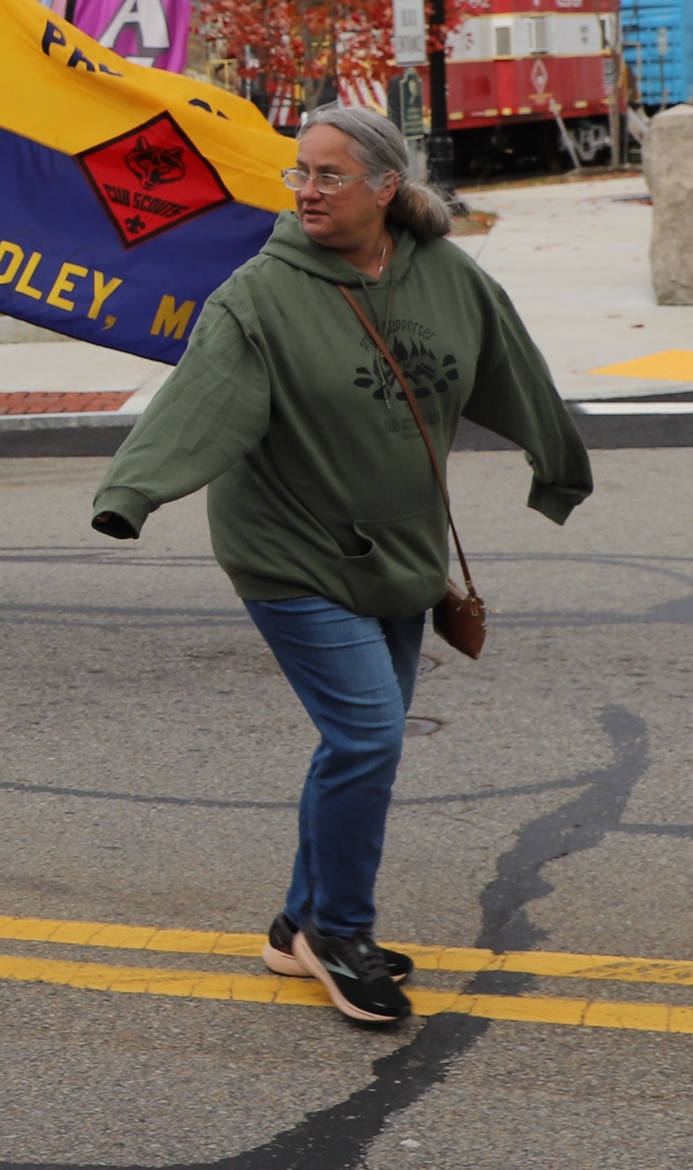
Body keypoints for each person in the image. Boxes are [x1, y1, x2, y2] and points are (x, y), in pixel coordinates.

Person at [91, 106, 590, 1027]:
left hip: (400, 551)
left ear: (384, 188)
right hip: (289, 549)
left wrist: (558, 467)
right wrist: (134, 492)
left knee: (362, 743)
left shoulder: (444, 275)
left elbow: (513, 367)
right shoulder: (260, 294)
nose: (307, 191)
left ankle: (298, 925)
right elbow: (196, 402)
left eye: (328, 176)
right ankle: (341, 933)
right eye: (300, 174)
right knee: (367, 738)